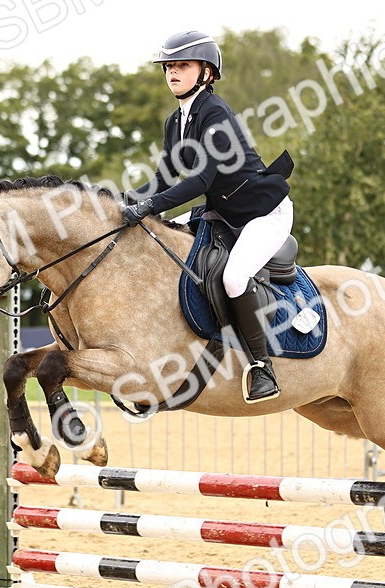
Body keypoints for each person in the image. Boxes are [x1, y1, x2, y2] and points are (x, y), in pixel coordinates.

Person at [121, 30, 293, 404]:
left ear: (207, 72)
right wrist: (120, 202)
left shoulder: (216, 113)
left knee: (233, 276)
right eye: (168, 67)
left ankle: (262, 367)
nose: (172, 72)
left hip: (263, 213)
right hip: (223, 212)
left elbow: (201, 180)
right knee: (159, 240)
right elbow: (163, 178)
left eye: (182, 65)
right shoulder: (175, 122)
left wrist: (149, 207)